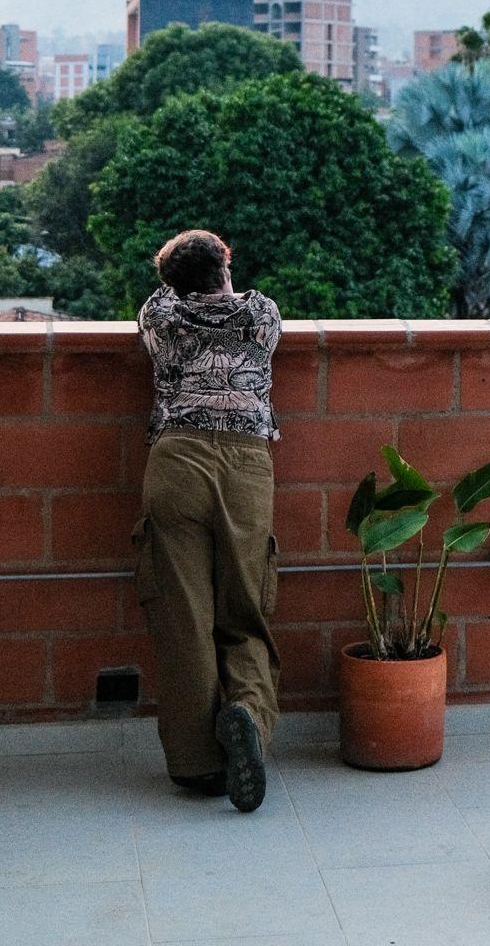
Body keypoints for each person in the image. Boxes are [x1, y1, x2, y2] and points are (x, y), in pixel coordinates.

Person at [134, 228, 282, 812]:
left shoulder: (159, 316)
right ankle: (246, 714)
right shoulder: (261, 315)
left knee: (183, 615)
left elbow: (166, 301)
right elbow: (239, 302)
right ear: (225, 265)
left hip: (176, 460)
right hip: (246, 464)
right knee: (245, 610)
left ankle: (198, 766)